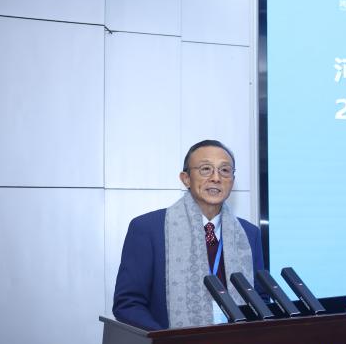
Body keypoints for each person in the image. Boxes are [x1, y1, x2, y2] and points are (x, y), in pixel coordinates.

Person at [112, 140, 266, 330]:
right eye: (206, 169)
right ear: (186, 178)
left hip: (236, 343)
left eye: (225, 170)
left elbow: (260, 298)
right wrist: (168, 340)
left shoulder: (249, 234)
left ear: (232, 181)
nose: (216, 178)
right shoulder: (148, 229)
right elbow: (128, 304)